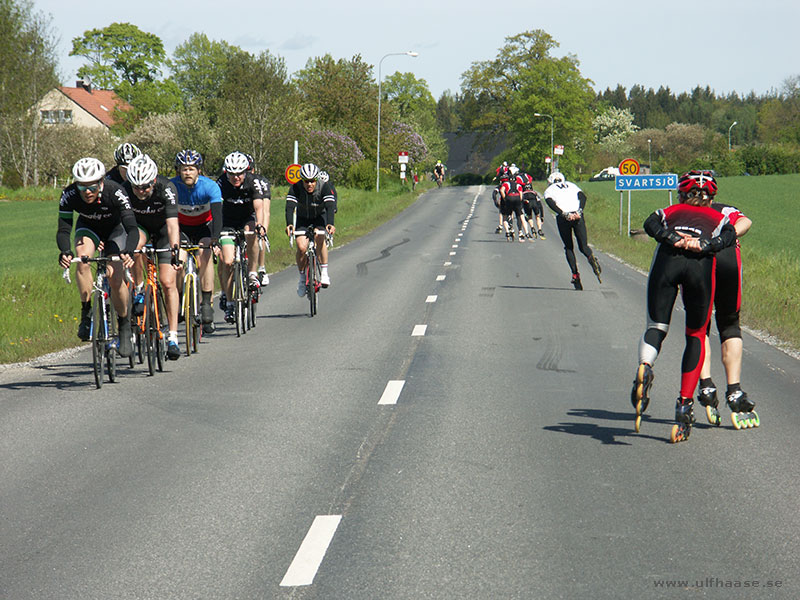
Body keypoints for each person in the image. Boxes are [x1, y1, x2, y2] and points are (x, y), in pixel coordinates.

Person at [630, 170, 738, 443]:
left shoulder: (671, 209)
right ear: (711, 197)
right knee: (695, 335)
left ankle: (646, 365)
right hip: (700, 266)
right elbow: (728, 237)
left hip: (668, 260)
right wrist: (704, 243)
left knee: (656, 326)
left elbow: (650, 224)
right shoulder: (719, 216)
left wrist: (672, 238)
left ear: (681, 194)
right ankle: (684, 405)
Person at [57, 157, 138, 356]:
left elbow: (132, 228)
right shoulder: (69, 195)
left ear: (101, 182)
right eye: (82, 188)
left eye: (91, 187)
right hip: (89, 228)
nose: (87, 192)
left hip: (115, 231)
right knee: (82, 259)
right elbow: (63, 230)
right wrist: (65, 251)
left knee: (115, 276)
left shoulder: (115, 192)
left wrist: (128, 250)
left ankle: (124, 325)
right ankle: (86, 313)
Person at [696, 198, 755, 423]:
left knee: (699, 327)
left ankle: (706, 387)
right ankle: (735, 390)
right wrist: (727, 237)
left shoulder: (681, 212)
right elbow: (745, 221)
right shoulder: (723, 210)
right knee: (730, 325)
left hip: (697, 262)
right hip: (728, 258)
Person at [124, 154, 182, 360]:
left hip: (164, 230)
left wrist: (175, 250)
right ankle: (139, 288)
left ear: (154, 181)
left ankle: (173, 337)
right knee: (136, 247)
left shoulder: (166, 189)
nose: (140, 191)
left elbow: (173, 224)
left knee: (167, 282)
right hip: (141, 229)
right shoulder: (125, 191)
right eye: (136, 187)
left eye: (145, 187)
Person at [171, 149, 222, 334]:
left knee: (205, 253)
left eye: (191, 169)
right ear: (179, 171)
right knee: (177, 261)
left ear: (198, 170)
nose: (187, 173)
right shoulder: (172, 186)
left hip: (204, 227)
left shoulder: (210, 187)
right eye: (184, 169)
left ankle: (207, 303)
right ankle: (177, 302)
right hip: (182, 228)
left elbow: (217, 215)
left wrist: (215, 239)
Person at [216, 151, 266, 324]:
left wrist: (260, 225)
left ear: (246, 171)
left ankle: (252, 273)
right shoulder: (221, 183)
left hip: (247, 219)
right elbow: (214, 208)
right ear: (226, 172)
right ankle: (230, 303)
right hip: (227, 222)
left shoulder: (253, 182)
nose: (236, 177)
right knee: (228, 262)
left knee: (252, 233)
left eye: (239, 173)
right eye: (232, 173)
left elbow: (259, 207)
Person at [543, 172, 601, 289]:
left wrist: (563, 214)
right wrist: (579, 211)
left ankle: (575, 274)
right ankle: (590, 257)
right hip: (577, 214)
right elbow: (583, 196)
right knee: (583, 246)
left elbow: (550, 203)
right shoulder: (571, 185)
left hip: (564, 217)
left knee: (569, 247)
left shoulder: (549, 190)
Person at [285, 163, 336, 295]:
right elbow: (290, 207)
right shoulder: (295, 188)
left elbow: (330, 206)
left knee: (320, 239)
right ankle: (302, 278)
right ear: (302, 180)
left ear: (316, 179)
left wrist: (330, 224)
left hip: (319, 217)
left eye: (312, 181)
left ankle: (324, 272)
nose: (309, 184)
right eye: (306, 181)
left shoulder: (324, 187)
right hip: (303, 218)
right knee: (301, 247)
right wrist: (290, 224)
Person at [499, 167, 530, 242]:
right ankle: (520, 232)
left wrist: (505, 198)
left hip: (509, 198)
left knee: (506, 215)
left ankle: (508, 231)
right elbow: (521, 194)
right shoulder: (518, 185)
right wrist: (520, 202)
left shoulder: (506, 183)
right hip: (517, 198)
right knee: (519, 215)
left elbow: (502, 191)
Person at [518, 168, 546, 240]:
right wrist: (542, 216)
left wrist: (523, 213)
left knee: (530, 217)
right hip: (535, 202)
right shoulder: (534, 193)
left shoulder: (523, 193)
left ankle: (532, 228)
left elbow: (521, 202)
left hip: (527, 203)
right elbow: (540, 204)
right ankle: (539, 229)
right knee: (537, 216)